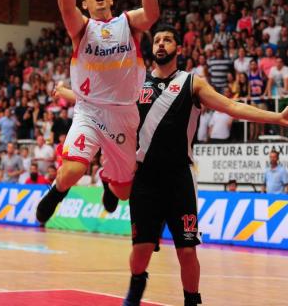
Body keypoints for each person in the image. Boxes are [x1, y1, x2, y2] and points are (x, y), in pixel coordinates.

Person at [56, 24, 288, 305]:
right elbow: (97, 102)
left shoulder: (192, 83)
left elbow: (231, 107)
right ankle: (135, 288)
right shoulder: (135, 83)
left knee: (187, 251)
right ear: (151, 49)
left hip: (179, 177)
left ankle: (192, 300)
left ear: (178, 48)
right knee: (140, 251)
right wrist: (66, 92)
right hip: (144, 177)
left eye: (167, 40)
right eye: (157, 40)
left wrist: (275, 118)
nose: (161, 44)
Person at [36, 0, 159, 223]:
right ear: (85, 5)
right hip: (89, 111)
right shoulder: (81, 28)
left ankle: (107, 177)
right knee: (74, 170)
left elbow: (152, 14)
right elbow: (65, 7)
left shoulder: (128, 24)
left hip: (124, 114)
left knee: (124, 192)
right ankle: (56, 192)